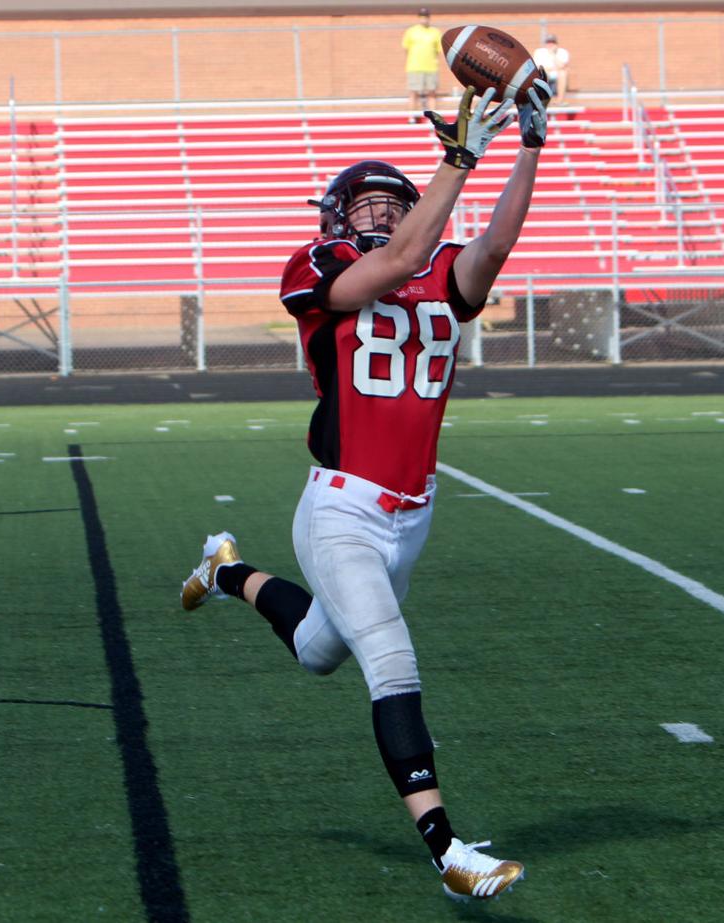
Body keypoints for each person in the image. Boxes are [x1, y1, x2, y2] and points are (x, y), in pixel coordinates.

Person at [180, 76, 552, 901]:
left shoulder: (441, 267)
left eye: (393, 202)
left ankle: (225, 569)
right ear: (335, 218)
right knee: (390, 659)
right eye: (365, 204)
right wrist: (458, 160)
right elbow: (399, 260)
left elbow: (491, 247)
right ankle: (448, 850)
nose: (379, 213)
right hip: (343, 505)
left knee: (319, 649)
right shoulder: (319, 266)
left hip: (411, 515)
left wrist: (528, 146)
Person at [402, 7, 442, 117]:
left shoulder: (435, 32)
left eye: (426, 17)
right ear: (419, 18)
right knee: (413, 93)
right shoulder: (411, 31)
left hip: (431, 68)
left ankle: (434, 118)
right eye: (422, 17)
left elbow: (438, 50)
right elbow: (406, 48)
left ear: (429, 18)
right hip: (414, 67)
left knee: (432, 93)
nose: (424, 19)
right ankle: (412, 117)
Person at [533, 34, 570, 103]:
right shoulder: (539, 52)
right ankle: (545, 100)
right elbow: (538, 67)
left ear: (556, 43)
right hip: (545, 73)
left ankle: (559, 100)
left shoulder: (562, 52)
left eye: (552, 42)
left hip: (557, 74)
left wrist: (552, 54)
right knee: (544, 73)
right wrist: (552, 69)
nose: (550, 44)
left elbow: (562, 66)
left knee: (563, 73)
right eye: (548, 42)